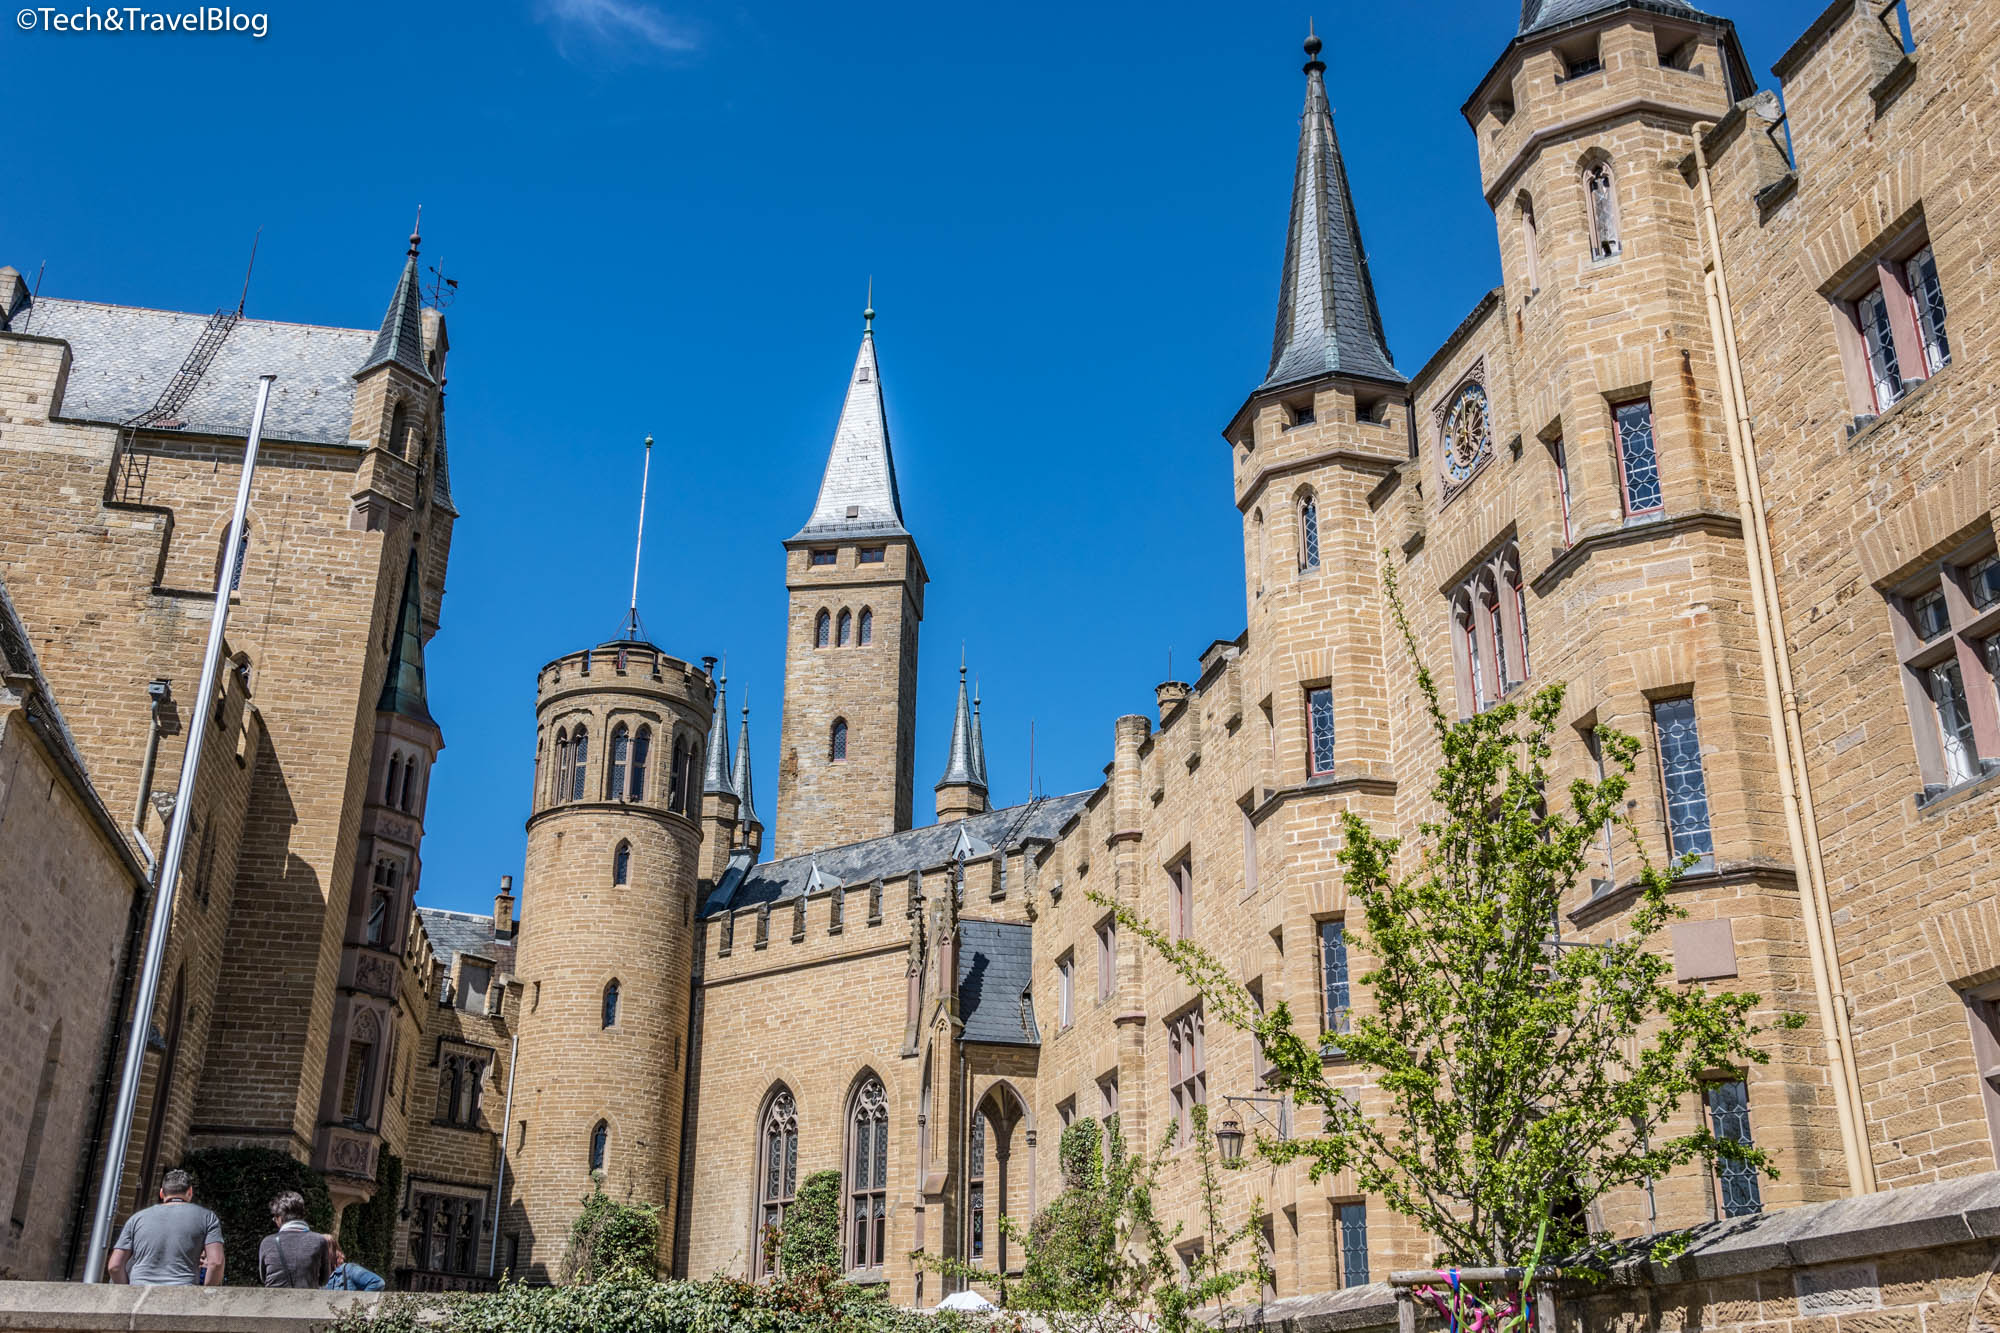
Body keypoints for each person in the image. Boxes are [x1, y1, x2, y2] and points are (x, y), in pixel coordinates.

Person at [107, 1169, 225, 1286]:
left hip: (139, 1290)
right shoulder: (207, 1217)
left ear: (161, 1193)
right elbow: (216, 1263)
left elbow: (115, 1266)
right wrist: (206, 1293)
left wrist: (127, 1291)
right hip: (182, 1292)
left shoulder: (136, 1219)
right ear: (190, 1192)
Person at [257, 1191, 338, 1288]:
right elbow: (324, 1279)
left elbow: (263, 1277)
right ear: (303, 1215)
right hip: (306, 1297)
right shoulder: (319, 1241)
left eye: (275, 1219)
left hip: (272, 1297)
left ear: (280, 1218)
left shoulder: (267, 1242)